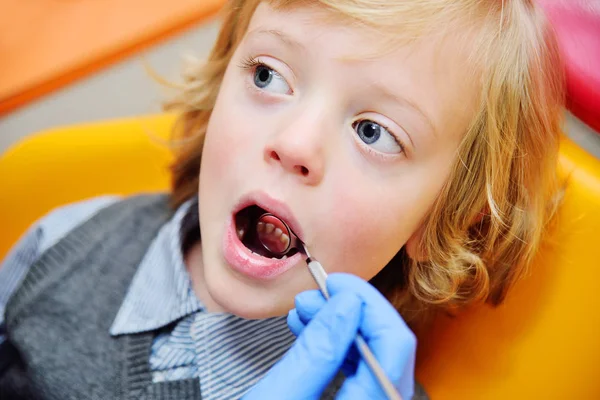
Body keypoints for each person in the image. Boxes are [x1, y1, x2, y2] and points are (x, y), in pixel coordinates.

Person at [0, 0, 564, 399]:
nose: (295, 143)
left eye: (374, 132)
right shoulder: (64, 243)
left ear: (442, 220)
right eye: (268, 75)